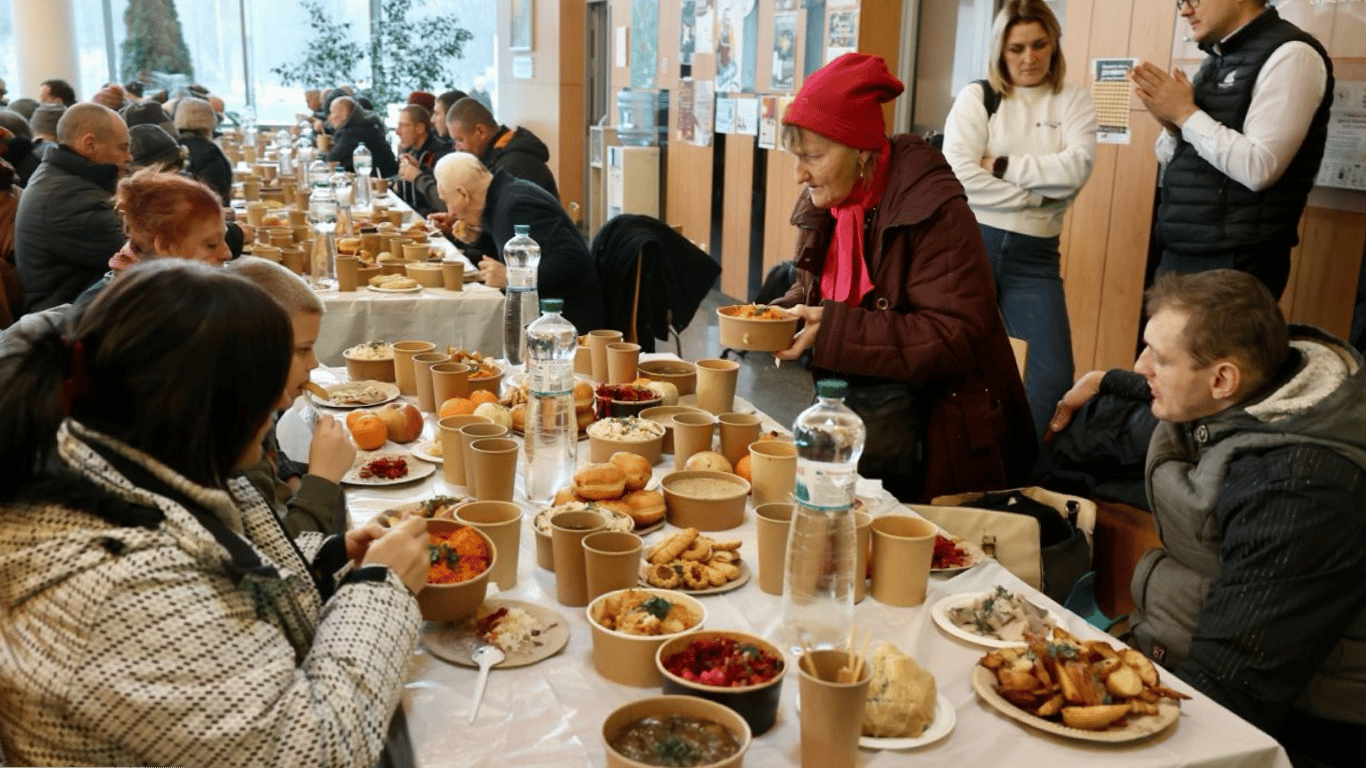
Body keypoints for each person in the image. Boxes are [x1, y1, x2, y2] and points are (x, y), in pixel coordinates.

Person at [0, 260, 429, 768]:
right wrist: (379, 590)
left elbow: (225, 577)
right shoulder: (115, 590)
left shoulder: (138, 467)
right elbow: (314, 749)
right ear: (214, 406)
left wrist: (330, 556)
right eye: (267, 386)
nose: (278, 403)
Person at [1046, 270, 1366, 767]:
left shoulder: (1300, 491)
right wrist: (1106, 382)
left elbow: (1234, 688)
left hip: (1281, 727)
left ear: (1222, 379)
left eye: (1160, 358)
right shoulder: (1254, 387)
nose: (1140, 365)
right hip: (1171, 660)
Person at [772, 52, 1036, 503]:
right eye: (795, 156)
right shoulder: (837, 206)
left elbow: (955, 333)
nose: (799, 173)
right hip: (867, 429)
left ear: (860, 151)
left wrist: (831, 327)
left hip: (939, 448)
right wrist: (786, 313)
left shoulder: (933, 209)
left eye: (812, 156)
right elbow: (827, 293)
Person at [942, 0, 1097, 443]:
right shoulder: (979, 97)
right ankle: (960, 467)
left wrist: (1003, 165)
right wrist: (1040, 193)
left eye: (1038, 45)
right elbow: (959, 175)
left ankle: (1022, 474)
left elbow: (1076, 170)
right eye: (1015, 49)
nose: (1028, 58)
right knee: (958, 363)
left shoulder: (1074, 101)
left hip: (1036, 258)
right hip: (973, 245)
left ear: (1054, 44)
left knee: (1051, 375)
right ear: (999, 51)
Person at [1132, 0, 1332, 300]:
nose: (1185, 10)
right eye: (1180, 2)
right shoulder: (1218, 57)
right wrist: (1173, 125)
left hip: (1234, 262)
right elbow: (1170, 158)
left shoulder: (1292, 53)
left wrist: (1185, 115)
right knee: (1159, 347)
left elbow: (1260, 168)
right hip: (1180, 248)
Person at [227, 256, 354, 537]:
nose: (314, 363)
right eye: (303, 350)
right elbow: (284, 558)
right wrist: (322, 479)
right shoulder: (236, 448)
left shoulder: (258, 408)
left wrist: (293, 479)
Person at [433, 152, 604, 333]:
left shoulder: (516, 205)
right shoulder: (502, 197)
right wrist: (480, 239)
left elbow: (571, 260)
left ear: (463, 194)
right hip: (543, 313)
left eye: (447, 202)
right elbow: (521, 254)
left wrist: (512, 277)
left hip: (566, 322)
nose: (449, 212)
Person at [14, 103, 129, 313]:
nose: (129, 157)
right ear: (89, 144)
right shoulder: (70, 200)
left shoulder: (59, 179)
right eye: (122, 147)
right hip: (66, 323)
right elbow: (139, 252)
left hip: (72, 309)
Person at [446, 97, 559, 200]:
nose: (457, 148)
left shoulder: (512, 165)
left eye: (460, 140)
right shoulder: (498, 153)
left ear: (481, 131)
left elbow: (514, 219)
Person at [393, 105, 450, 216]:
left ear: (420, 128)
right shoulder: (412, 152)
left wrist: (417, 175)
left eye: (402, 125)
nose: (397, 131)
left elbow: (443, 203)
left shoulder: (441, 154)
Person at [325, 96, 398, 178]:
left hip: (383, 183)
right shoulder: (362, 125)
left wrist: (324, 148)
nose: (330, 117)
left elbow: (332, 159)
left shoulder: (356, 131)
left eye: (332, 112)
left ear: (344, 113)